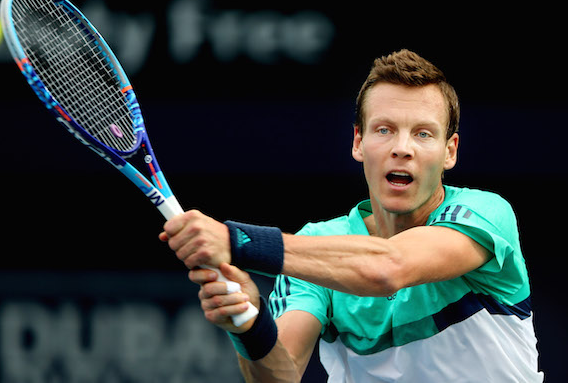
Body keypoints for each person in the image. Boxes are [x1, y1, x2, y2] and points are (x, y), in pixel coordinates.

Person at [159, 49, 543, 382]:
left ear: (450, 151)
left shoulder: (484, 213)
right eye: (384, 130)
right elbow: (281, 374)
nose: (402, 148)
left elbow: (388, 268)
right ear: (359, 142)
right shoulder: (316, 247)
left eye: (424, 134)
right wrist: (249, 322)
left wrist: (236, 242)